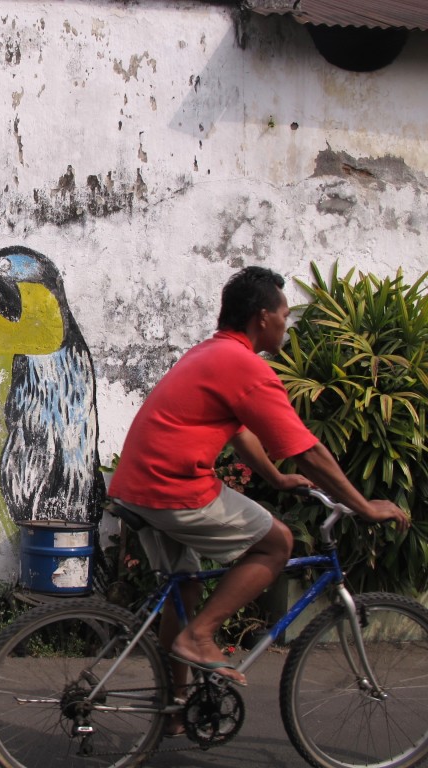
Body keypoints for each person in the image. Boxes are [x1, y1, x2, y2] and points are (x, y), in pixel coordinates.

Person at [108, 266, 411, 692]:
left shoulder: (208, 354)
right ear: (262, 317)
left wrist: (275, 478)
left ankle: (172, 709)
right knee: (277, 543)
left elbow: (238, 431)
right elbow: (307, 452)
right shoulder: (245, 366)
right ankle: (199, 637)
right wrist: (363, 506)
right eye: (284, 316)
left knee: (187, 587)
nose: (286, 325)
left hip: (137, 487)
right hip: (173, 487)